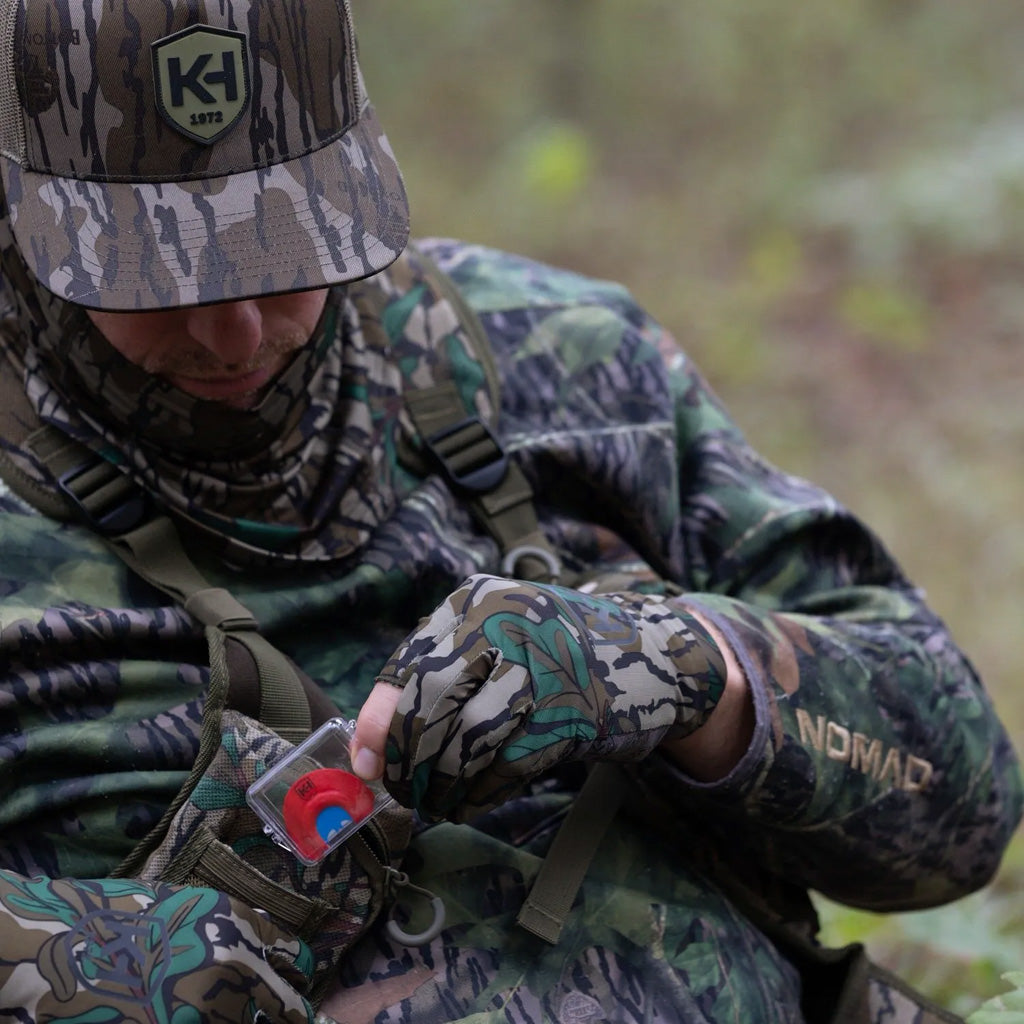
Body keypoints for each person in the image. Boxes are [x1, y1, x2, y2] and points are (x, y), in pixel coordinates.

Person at [0, 0, 1018, 1022]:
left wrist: (687, 669)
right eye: (155, 274)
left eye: (283, 252)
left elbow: (963, 800)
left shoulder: (559, 363)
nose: (237, 333)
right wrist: (51, 958)